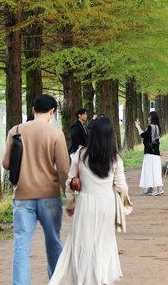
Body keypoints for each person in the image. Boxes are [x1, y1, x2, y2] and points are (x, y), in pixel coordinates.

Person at [49, 117, 128, 285]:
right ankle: (101, 278)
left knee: (82, 243)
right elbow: (122, 187)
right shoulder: (115, 159)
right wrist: (121, 204)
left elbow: (70, 182)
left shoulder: (80, 154)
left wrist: (70, 203)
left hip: (85, 203)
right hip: (107, 204)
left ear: (91, 134)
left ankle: (83, 279)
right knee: (103, 243)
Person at [2, 94, 70, 285]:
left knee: (21, 246)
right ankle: (57, 282)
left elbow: (6, 164)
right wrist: (70, 197)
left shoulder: (15, 131)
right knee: (53, 241)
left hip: (22, 196)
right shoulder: (56, 134)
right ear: (52, 111)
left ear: (32, 110)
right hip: (49, 196)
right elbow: (64, 170)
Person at [136, 111, 164, 196]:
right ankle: (150, 187)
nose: (148, 118)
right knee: (155, 169)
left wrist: (138, 127)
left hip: (149, 151)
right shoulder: (158, 127)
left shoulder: (151, 127)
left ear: (151, 118)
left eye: (149, 117)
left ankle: (158, 188)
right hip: (156, 152)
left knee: (148, 170)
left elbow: (143, 135)